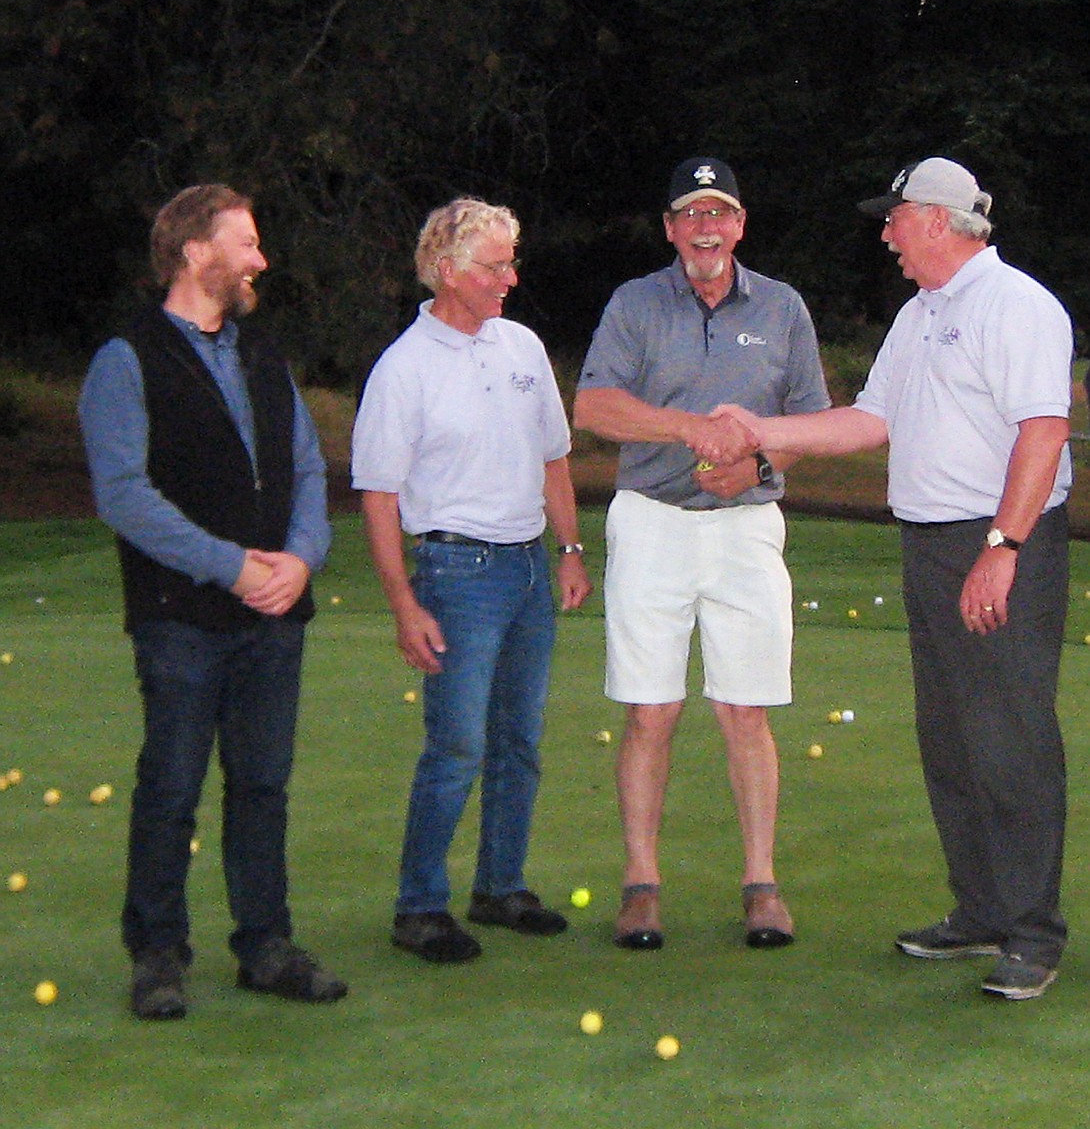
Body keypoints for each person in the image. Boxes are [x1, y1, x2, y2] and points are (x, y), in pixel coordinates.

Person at [724, 157, 1072, 1000]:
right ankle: (982, 910)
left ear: (939, 220)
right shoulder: (920, 315)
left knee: (1010, 740)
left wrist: (1002, 546)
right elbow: (869, 420)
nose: (885, 235)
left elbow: (1045, 430)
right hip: (928, 545)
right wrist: (761, 429)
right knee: (950, 737)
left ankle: (1032, 932)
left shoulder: (1016, 305)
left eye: (895, 218)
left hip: (997, 544)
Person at [79, 184, 347, 1019]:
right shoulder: (127, 358)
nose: (261, 259)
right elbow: (124, 494)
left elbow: (306, 466)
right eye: (248, 242)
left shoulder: (261, 353)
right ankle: (158, 953)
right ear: (197, 251)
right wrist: (231, 567)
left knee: (262, 785)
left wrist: (302, 559)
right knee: (172, 784)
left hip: (275, 615)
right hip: (182, 617)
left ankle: (265, 946)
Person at [572, 157, 830, 951]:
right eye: (691, 215)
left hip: (746, 526)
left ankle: (761, 884)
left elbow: (811, 423)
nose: (706, 229)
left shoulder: (782, 308)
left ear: (739, 225)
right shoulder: (635, 303)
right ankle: (641, 886)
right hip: (651, 520)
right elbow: (593, 406)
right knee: (651, 711)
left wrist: (753, 463)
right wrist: (687, 428)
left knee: (743, 711)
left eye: (719, 214)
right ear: (671, 229)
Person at [351, 196, 592, 965]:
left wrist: (571, 547)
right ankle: (420, 906)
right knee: (456, 745)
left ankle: (499, 886)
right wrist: (403, 603)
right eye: (494, 265)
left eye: (511, 262)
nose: (509, 279)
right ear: (447, 271)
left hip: (526, 566)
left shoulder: (521, 347)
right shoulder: (404, 368)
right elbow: (380, 496)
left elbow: (554, 457)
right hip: (456, 571)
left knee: (518, 740)